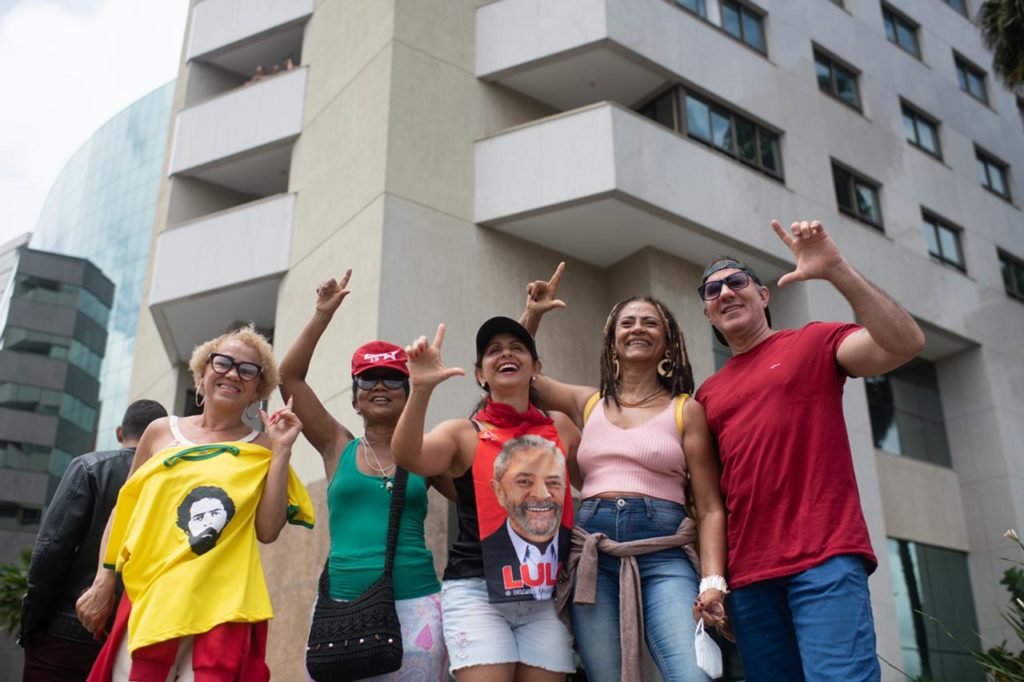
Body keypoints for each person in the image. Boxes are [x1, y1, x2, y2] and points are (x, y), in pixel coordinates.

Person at [695, 220, 926, 682]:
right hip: (752, 577)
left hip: (825, 556)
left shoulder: (813, 342)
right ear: (708, 315)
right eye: (711, 290)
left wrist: (836, 268)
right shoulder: (708, 394)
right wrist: (715, 581)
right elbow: (710, 503)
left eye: (736, 281)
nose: (724, 292)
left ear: (763, 295)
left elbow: (905, 344)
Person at [519, 264, 727, 682]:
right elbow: (517, 374)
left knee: (693, 675)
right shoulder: (588, 402)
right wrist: (533, 315)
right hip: (594, 556)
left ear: (667, 343)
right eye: (627, 322)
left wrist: (713, 581)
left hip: (664, 554)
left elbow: (709, 507)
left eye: (650, 323)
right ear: (612, 341)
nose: (638, 328)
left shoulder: (687, 410)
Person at [76, 325, 315, 682]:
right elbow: (123, 511)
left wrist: (281, 453)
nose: (233, 373)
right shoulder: (159, 432)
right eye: (223, 363)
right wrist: (103, 581)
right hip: (153, 596)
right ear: (202, 374)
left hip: (222, 607)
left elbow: (267, 531)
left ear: (256, 391)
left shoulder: (265, 446)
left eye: (248, 370)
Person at [279, 270, 448, 681]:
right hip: (341, 608)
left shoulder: (427, 451)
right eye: (367, 379)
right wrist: (322, 315)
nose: (380, 386)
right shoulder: (337, 445)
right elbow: (289, 378)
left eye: (394, 378)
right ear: (354, 399)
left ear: (409, 392)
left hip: (417, 605)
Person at [392, 317, 580, 682]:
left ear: (536, 367)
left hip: (546, 594)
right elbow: (408, 455)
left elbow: (594, 478)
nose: (506, 353)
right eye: (494, 350)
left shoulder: (561, 426)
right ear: (481, 374)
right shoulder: (464, 433)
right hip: (477, 593)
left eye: (517, 348)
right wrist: (421, 389)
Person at [18, 400, 167, 682]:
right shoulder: (171, 481)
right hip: (133, 636)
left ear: (120, 432)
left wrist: (31, 623)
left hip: (66, 632)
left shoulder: (90, 467)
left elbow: (52, 548)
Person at [482, 435, 567, 601]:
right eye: (524, 482)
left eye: (553, 483)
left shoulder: (575, 549)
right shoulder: (484, 550)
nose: (542, 495)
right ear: (498, 491)